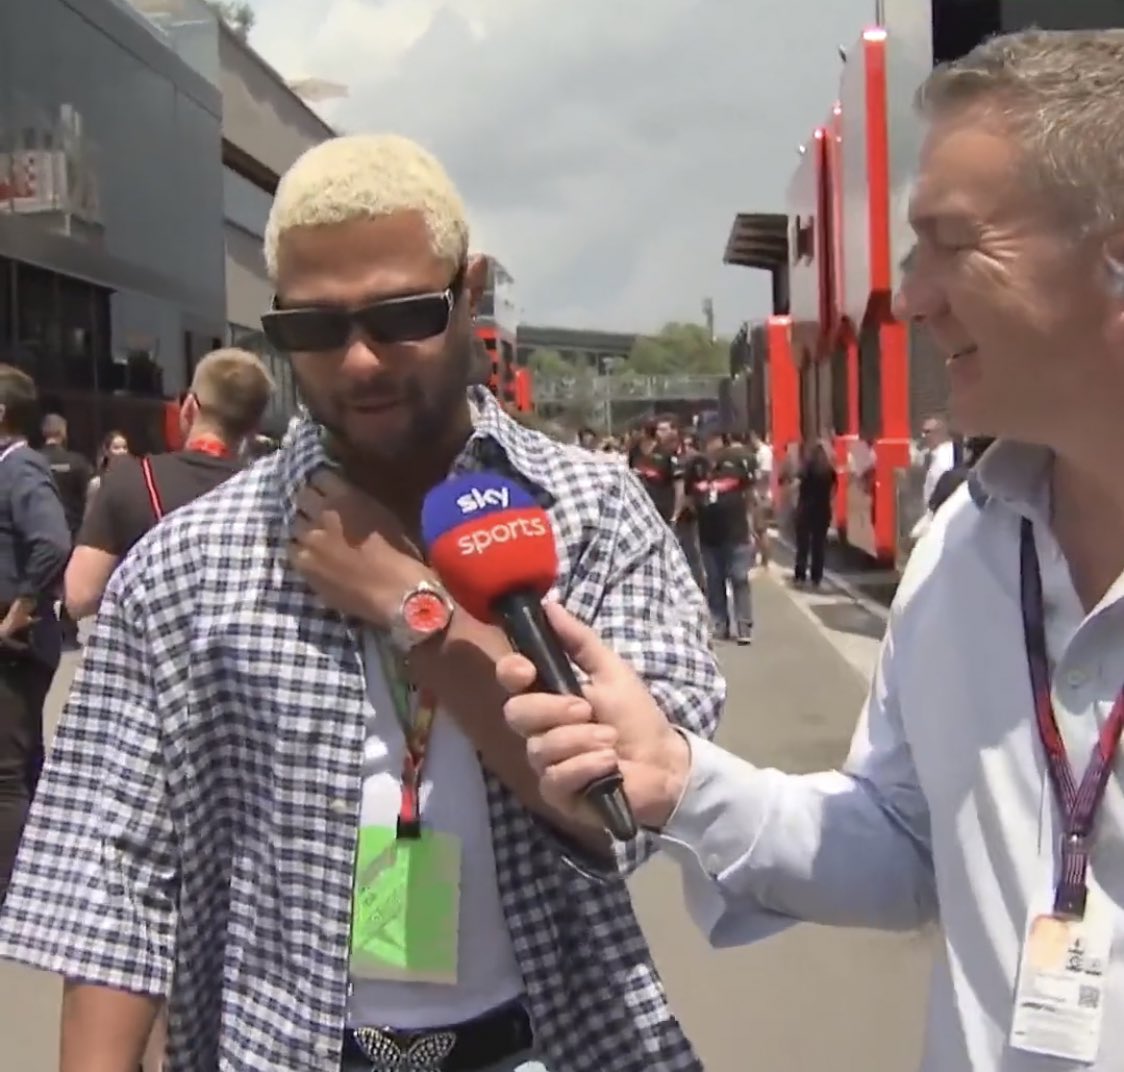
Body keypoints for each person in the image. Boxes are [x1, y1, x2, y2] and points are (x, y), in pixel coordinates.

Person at [0, 133, 722, 1072]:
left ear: (470, 293)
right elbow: (116, 879)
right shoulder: (187, 566)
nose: (360, 362)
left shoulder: (590, 516)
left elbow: (629, 809)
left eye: (398, 316)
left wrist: (414, 607)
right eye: (316, 328)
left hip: (557, 1041)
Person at [496, 29, 1124, 1072]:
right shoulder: (963, 550)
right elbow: (909, 839)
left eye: (951, 243)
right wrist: (679, 780)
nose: (912, 297)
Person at [63, 348, 274, 620]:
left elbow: (80, 597)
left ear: (189, 408)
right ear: (255, 427)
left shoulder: (132, 480)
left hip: (153, 653)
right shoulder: (272, 494)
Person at [0, 369, 71, 907]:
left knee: (6, 771)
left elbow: (52, 541)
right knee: (22, 761)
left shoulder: (21, 466)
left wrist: (17, 611)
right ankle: (42, 871)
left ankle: (13, 893)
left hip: (16, 642)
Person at [683, 430, 755, 644]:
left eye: (715, 441)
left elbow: (750, 496)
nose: (712, 446)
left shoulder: (736, 464)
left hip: (736, 532)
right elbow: (688, 496)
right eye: (708, 442)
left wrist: (753, 526)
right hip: (708, 534)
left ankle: (744, 625)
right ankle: (719, 624)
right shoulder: (696, 468)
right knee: (715, 581)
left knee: (739, 578)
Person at [792, 440, 836, 587]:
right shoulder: (829, 471)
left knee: (803, 545)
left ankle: (800, 575)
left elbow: (797, 484)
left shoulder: (806, 468)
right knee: (819, 546)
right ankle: (816, 577)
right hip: (822, 510)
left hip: (805, 510)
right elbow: (833, 491)